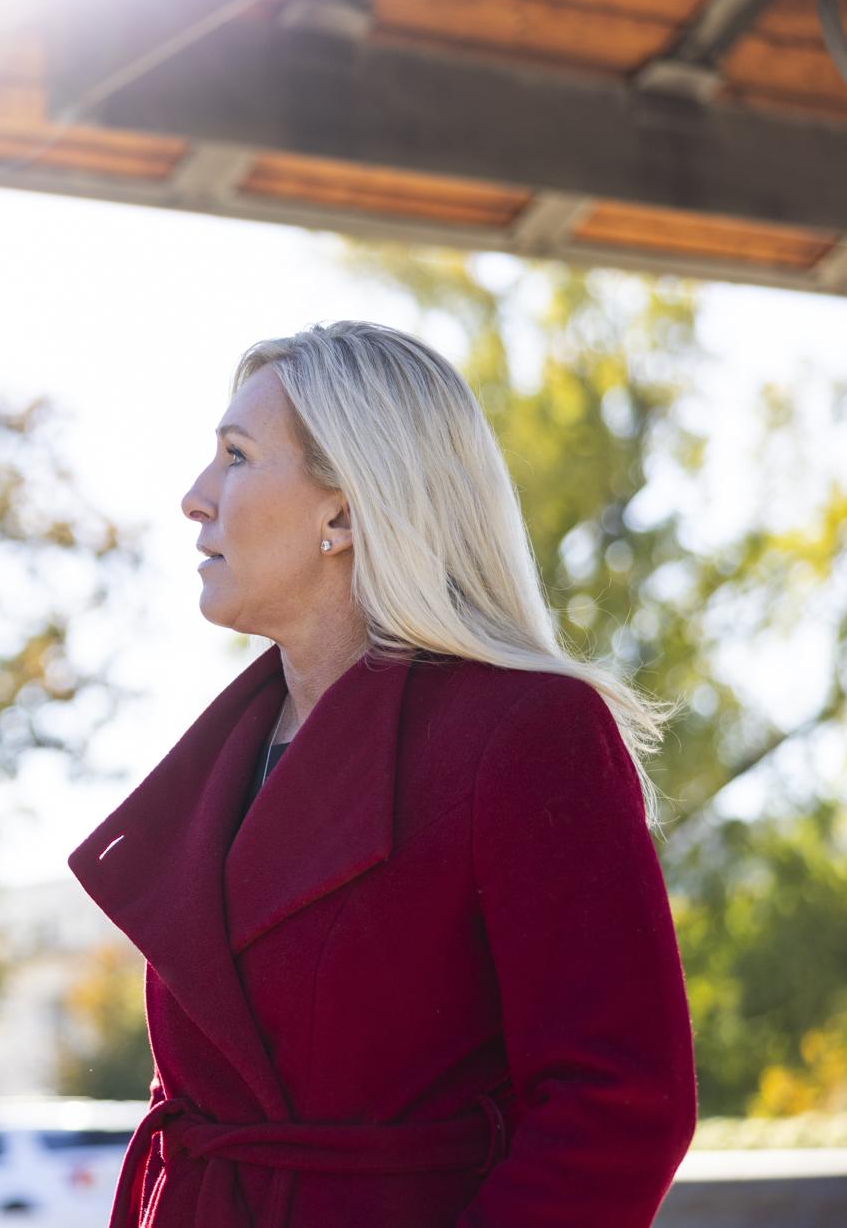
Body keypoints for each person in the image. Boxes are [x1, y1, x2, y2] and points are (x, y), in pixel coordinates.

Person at [69, 322, 696, 1227]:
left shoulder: (530, 732)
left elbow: (619, 1106)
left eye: (236, 457)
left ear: (347, 512)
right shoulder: (225, 759)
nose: (194, 498)